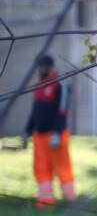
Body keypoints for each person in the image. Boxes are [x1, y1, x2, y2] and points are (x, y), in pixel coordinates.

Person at [22, 55, 76, 208]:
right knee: (41, 168)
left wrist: (57, 133)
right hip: (39, 136)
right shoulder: (39, 85)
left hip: (56, 135)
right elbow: (34, 111)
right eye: (39, 66)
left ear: (52, 66)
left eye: (44, 66)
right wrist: (27, 131)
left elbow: (63, 110)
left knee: (62, 167)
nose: (41, 69)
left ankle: (69, 200)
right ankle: (46, 201)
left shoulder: (60, 84)